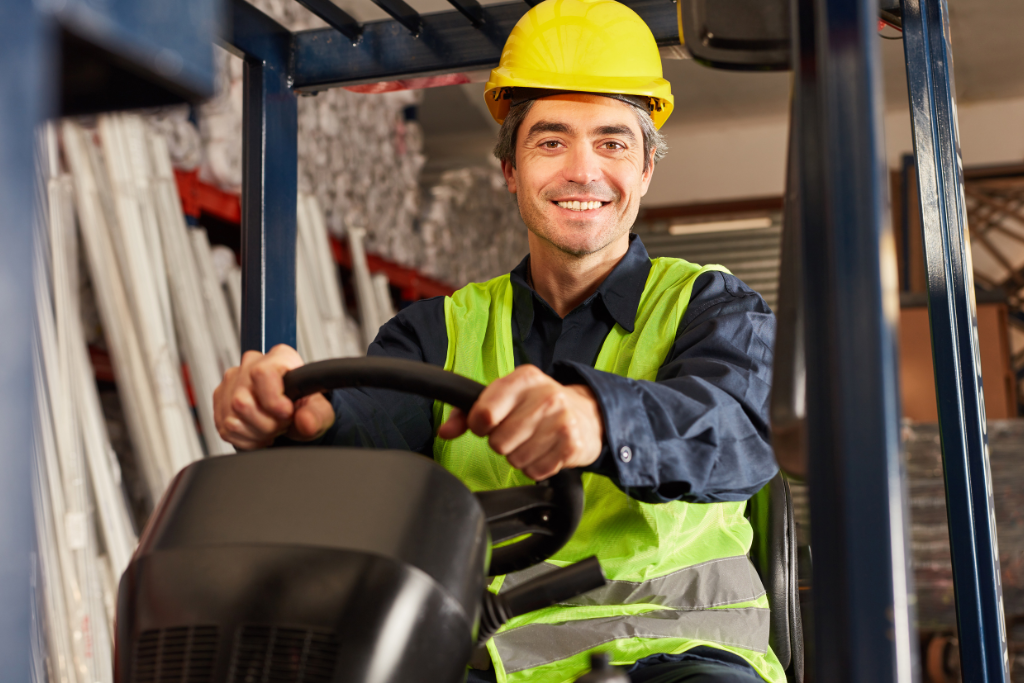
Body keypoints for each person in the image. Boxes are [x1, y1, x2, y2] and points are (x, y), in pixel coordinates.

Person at [213, 0, 783, 681]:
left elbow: (737, 432)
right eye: (550, 142)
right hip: (488, 660)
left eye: (612, 142)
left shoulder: (712, 308)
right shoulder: (438, 329)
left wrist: (596, 418)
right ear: (510, 169)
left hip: (680, 656)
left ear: (645, 170)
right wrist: (300, 414)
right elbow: (366, 417)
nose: (582, 170)